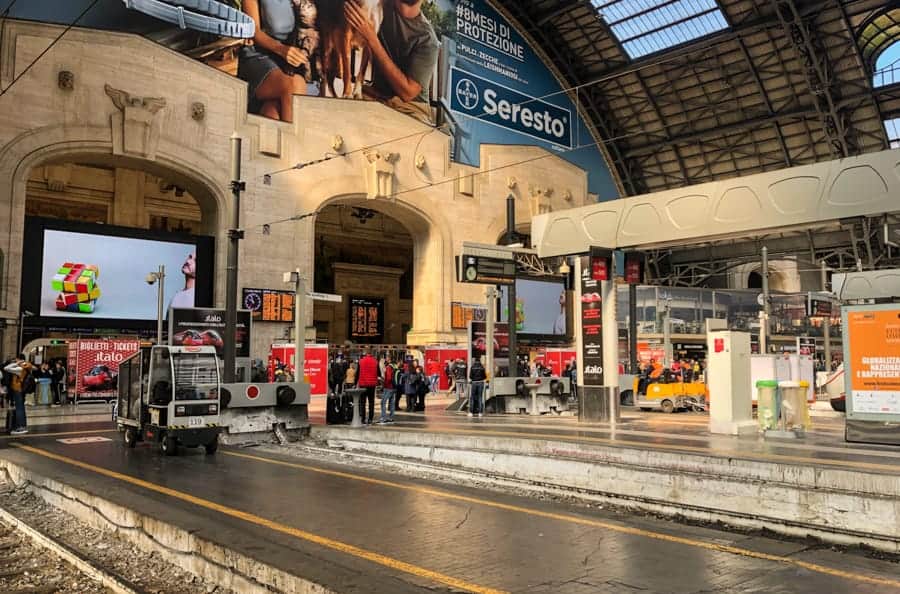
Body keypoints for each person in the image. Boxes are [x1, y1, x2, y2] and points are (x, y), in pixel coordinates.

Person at [344, 0, 439, 123]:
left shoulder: (427, 39)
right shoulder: (379, 6)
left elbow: (408, 93)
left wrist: (372, 39)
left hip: (411, 109)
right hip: (377, 99)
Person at [238, 0, 307, 122]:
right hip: (259, 55)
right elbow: (254, 30)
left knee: (271, 112)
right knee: (295, 85)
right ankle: (295, 141)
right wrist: (281, 49)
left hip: (289, 60)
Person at [4, 354, 33, 435]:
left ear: (19, 359)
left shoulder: (19, 368)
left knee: (19, 409)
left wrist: (16, 363)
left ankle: (20, 427)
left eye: (16, 359)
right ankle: (23, 426)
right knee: (21, 408)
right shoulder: (27, 366)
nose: (15, 361)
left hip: (17, 389)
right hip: (22, 390)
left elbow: (6, 368)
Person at [357, 349, 379, 424]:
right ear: (372, 354)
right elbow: (378, 373)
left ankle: (363, 418)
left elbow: (357, 373)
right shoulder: (375, 361)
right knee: (371, 402)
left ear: (365, 354)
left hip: (363, 384)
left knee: (362, 402)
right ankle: (370, 419)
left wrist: (355, 383)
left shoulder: (361, 361)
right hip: (372, 385)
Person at [379, 357, 397, 423]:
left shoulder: (388, 367)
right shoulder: (394, 366)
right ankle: (391, 417)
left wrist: (383, 383)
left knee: (383, 402)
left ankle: (383, 418)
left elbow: (388, 378)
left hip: (388, 387)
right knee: (392, 402)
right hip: (394, 387)